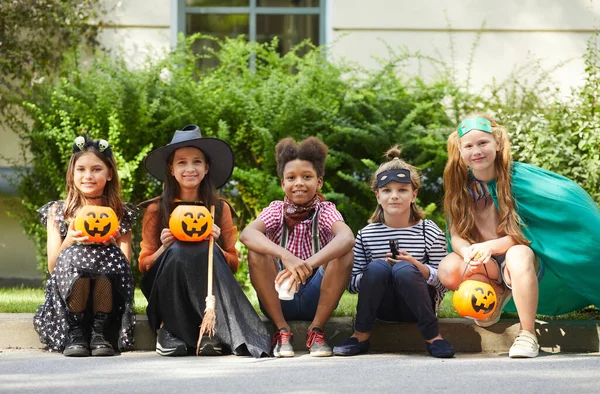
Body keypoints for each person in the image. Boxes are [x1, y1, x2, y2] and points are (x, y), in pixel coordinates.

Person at [438, 114, 600, 358]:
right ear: (459, 152)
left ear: (498, 143)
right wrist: (465, 250)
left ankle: (527, 334)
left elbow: (529, 232)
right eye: (468, 146)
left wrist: (491, 246)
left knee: (518, 254)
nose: (477, 151)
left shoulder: (518, 180)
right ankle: (495, 293)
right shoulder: (461, 189)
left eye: (483, 143)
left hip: (519, 259)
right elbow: (456, 234)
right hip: (487, 264)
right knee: (448, 266)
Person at [138, 124, 270, 358]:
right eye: (182, 162)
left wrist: (216, 244)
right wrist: (164, 248)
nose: (190, 168)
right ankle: (170, 329)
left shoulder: (219, 208)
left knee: (199, 247)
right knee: (178, 249)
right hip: (167, 286)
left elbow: (232, 264)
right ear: (171, 169)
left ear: (206, 167)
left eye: (197, 162)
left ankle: (209, 328)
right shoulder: (156, 209)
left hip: (206, 286)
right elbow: (144, 265)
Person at [333, 146, 454, 358]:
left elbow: (446, 282)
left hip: (418, 306)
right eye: (387, 190)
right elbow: (352, 285)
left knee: (405, 270)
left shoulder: (429, 230)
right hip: (382, 308)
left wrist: (419, 268)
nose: (394, 196)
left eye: (402, 190)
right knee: (379, 267)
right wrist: (376, 272)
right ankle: (360, 336)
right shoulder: (367, 234)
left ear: (414, 195)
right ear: (378, 196)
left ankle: (433, 337)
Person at [240, 137, 355, 358]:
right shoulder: (276, 210)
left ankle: (316, 330)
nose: (299, 182)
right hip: (279, 297)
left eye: (307, 177)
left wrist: (308, 265)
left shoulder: (325, 210)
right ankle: (282, 331)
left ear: (319, 182)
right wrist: (286, 256)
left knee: (344, 253)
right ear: (283, 183)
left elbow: (347, 237)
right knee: (257, 249)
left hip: (317, 297)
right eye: (291, 178)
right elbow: (247, 234)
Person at [34, 135, 138, 357]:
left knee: (106, 257)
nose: (88, 176)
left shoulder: (121, 214)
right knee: (78, 253)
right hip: (70, 294)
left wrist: (112, 248)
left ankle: (99, 332)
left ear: (109, 173)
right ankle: (77, 331)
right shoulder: (58, 212)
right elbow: (52, 268)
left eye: (96, 169)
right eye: (81, 169)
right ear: (72, 173)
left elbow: (125, 269)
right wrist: (70, 240)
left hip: (107, 295)